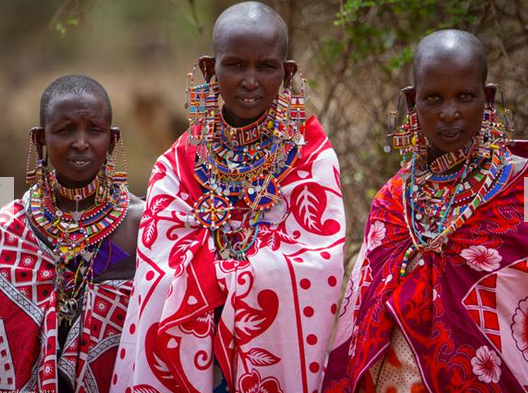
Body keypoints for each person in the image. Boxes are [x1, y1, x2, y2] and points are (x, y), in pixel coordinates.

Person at [112, 2, 345, 392]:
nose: (250, 80)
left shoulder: (311, 157)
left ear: (287, 73)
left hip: (268, 342)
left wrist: (223, 273)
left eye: (266, 66)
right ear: (209, 70)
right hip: (196, 338)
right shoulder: (179, 161)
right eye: (235, 65)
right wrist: (229, 275)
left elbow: (316, 259)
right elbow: (158, 253)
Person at [322, 29, 528, 392]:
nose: (450, 113)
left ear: (488, 98)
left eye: (465, 96)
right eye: (433, 98)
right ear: (411, 100)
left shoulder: (518, 188)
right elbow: (361, 314)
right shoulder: (393, 198)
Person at [0, 75, 144, 392]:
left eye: (94, 130)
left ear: (113, 139)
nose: (81, 142)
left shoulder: (142, 226)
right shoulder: (10, 229)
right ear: (40, 140)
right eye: (65, 130)